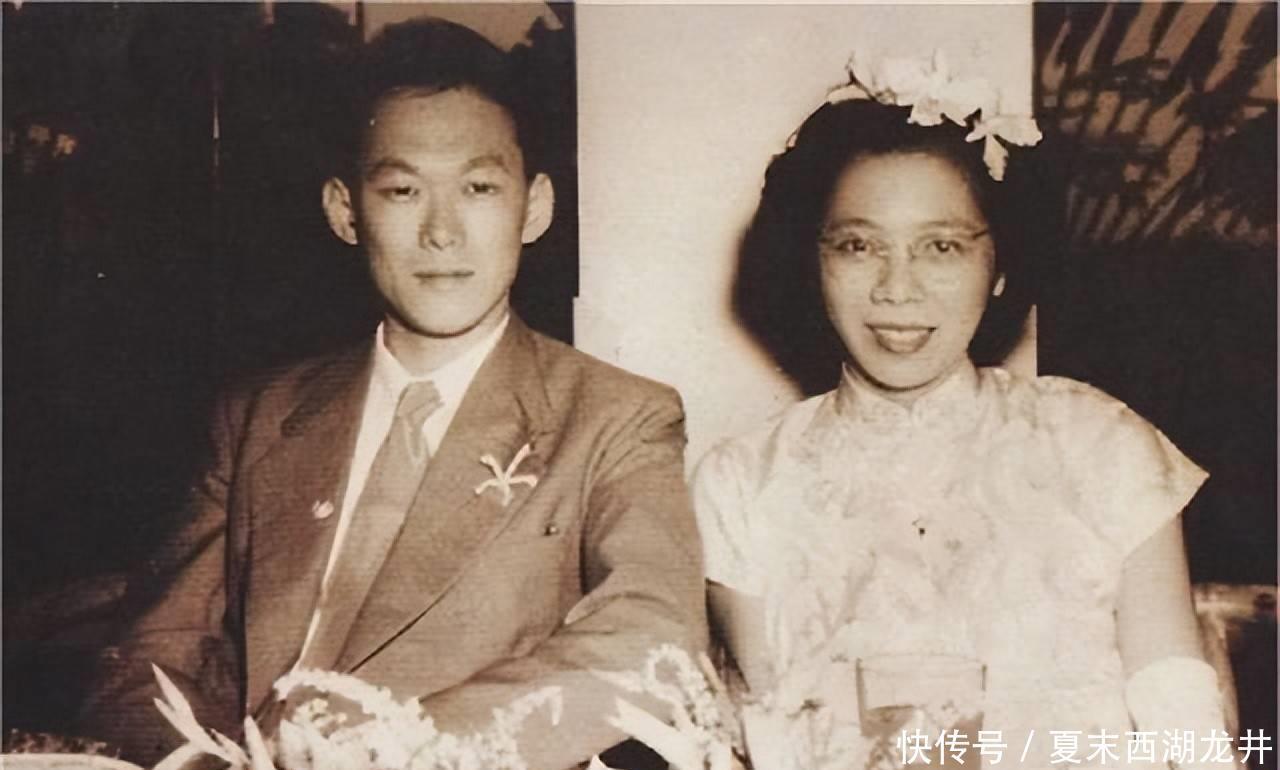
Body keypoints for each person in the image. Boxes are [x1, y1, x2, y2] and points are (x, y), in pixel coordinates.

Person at [80, 18, 707, 769]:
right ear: (346, 212)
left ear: (535, 207)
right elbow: (152, 657)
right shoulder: (258, 415)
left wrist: (390, 747)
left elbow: (652, 640)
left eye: (478, 188)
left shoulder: (614, 418)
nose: (442, 232)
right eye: (403, 191)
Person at [695, 60, 1233, 770]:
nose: (897, 289)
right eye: (859, 246)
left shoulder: (1101, 444)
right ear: (812, 261)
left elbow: (1183, 727)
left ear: (1001, 266)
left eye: (941, 247)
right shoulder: (741, 483)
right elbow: (769, 741)